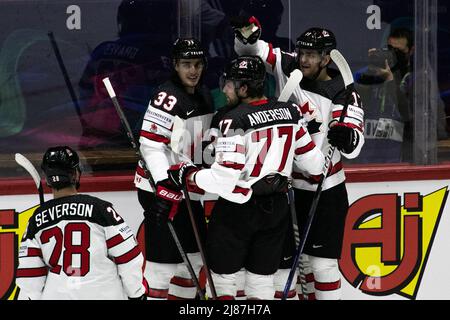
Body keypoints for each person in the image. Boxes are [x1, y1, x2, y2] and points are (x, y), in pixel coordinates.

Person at [167, 55, 325, 300]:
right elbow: (315, 166)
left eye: (229, 84)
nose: (225, 89)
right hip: (277, 210)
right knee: (261, 282)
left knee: (222, 280)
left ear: (243, 88)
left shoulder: (233, 119)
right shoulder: (291, 112)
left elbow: (225, 178)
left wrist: (190, 175)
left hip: (238, 210)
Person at [231, 19, 365, 300]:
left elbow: (354, 142)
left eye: (312, 55)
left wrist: (348, 138)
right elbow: (252, 50)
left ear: (326, 58)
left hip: (325, 190)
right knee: (288, 267)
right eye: (302, 53)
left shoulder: (345, 92)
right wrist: (247, 34)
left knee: (322, 265)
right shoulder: (288, 65)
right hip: (287, 188)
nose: (303, 59)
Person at [134, 38, 214, 300]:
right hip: (161, 190)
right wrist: (163, 185)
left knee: (193, 260)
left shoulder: (203, 94)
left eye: (198, 64)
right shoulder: (166, 97)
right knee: (161, 266)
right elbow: (150, 146)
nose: (193, 70)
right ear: (175, 65)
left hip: (187, 189)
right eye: (186, 64)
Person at [15, 146, 147, 300]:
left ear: (48, 178)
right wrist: (136, 293)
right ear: (76, 174)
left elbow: (29, 275)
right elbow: (128, 256)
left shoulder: (36, 220)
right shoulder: (100, 210)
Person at [78, 0, 176, 149]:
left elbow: (84, 93)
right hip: (131, 136)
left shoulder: (101, 51)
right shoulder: (155, 56)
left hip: (96, 133)